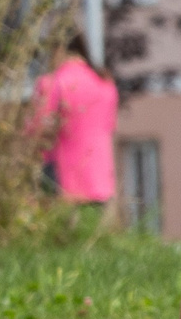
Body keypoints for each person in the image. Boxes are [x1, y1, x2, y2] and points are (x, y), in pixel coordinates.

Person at [34, 33, 119, 210]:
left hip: (61, 175)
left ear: (58, 50)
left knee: (60, 233)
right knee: (92, 233)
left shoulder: (52, 83)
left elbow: (39, 128)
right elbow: (109, 126)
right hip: (99, 176)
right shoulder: (105, 83)